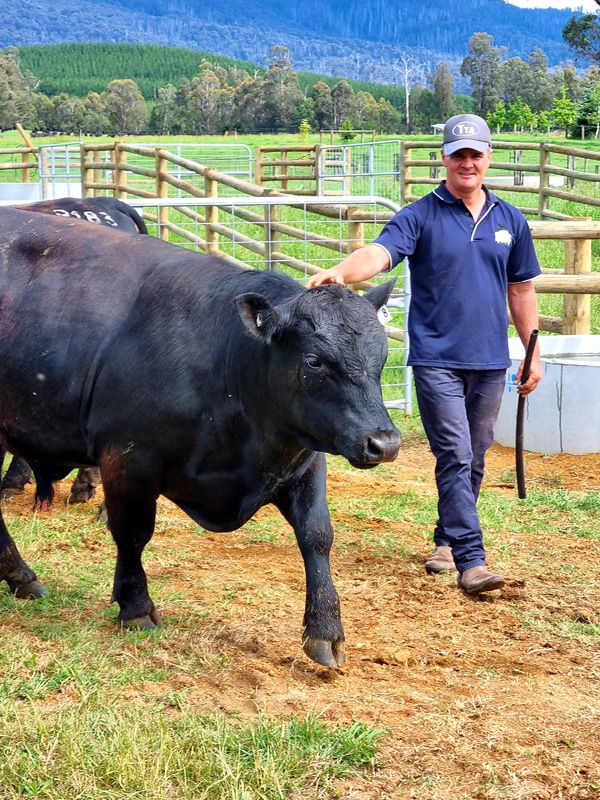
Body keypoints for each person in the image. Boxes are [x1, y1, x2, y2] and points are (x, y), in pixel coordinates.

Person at [307, 113, 542, 595]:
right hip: (437, 359)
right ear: (445, 159)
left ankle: (446, 539)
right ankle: (471, 560)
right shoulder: (421, 215)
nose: (468, 162)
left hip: (490, 359)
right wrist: (344, 272)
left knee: (474, 456)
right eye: (459, 154)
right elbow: (381, 252)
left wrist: (531, 350)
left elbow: (521, 289)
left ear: (488, 158)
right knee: (454, 452)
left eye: (475, 154)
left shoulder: (509, 220)